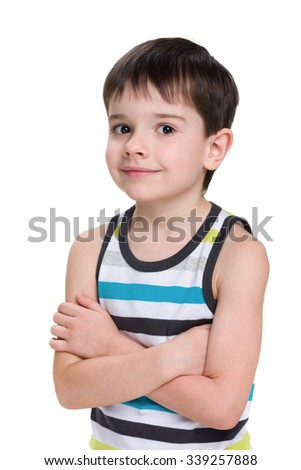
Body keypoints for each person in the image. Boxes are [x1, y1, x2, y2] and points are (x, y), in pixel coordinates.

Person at [49, 37, 269, 450]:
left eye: (165, 128)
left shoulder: (237, 254)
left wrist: (110, 345)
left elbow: (222, 407)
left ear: (214, 148)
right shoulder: (90, 248)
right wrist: (174, 357)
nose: (134, 145)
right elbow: (70, 390)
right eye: (122, 127)